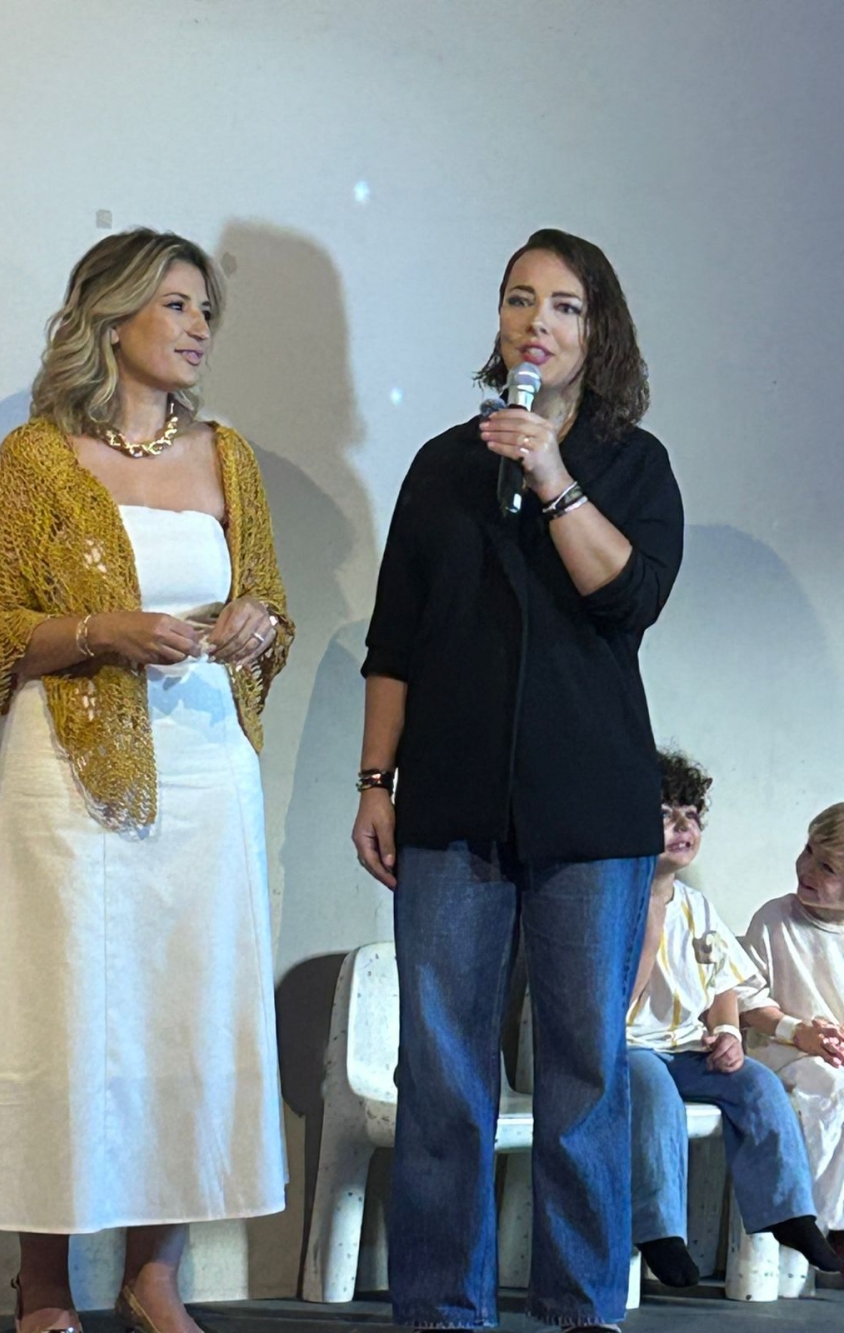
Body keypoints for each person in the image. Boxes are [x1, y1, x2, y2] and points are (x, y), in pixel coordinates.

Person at [0, 228, 293, 1333]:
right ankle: (44, 1282)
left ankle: (154, 1276)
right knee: (63, 1008)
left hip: (206, 774)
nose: (199, 328)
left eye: (206, 311)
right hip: (69, 773)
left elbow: (271, 610)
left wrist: (254, 623)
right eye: (178, 304)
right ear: (113, 316)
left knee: (186, 1007)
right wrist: (103, 629)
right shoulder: (36, 460)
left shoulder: (229, 456)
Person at [352, 228, 684, 1332]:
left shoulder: (634, 464)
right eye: (518, 300)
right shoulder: (443, 465)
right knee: (442, 1072)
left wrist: (551, 473)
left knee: (583, 1070)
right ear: (498, 322)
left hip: (590, 808)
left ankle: (582, 1308)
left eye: (564, 306)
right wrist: (374, 780)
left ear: (598, 332)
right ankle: (440, 1310)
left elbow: (627, 597)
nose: (537, 322)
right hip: (451, 802)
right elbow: (395, 640)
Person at [626, 750, 838, 1287]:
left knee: (757, 1085)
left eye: (692, 815)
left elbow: (724, 983)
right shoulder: (614, 902)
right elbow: (611, 1005)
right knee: (655, 1094)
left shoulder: (697, 906)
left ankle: (790, 1213)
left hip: (686, 1047)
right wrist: (650, 925)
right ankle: (660, 1231)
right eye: (665, 815)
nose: (683, 826)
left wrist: (725, 1031)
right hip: (628, 1049)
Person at [741, 802, 844, 1264]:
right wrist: (797, 1029)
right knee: (832, 1085)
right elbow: (747, 999)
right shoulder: (775, 919)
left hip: (833, 1052)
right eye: (808, 851)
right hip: (780, 1048)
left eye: (827, 867)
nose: (806, 868)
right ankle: (819, 1222)